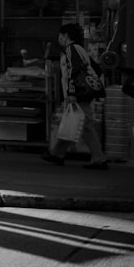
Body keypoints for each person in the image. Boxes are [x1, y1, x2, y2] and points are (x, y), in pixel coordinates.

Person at [42, 23, 109, 170]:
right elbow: (96, 69)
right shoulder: (79, 49)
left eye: (60, 35)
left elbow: (75, 71)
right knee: (71, 121)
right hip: (81, 92)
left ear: (66, 35)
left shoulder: (71, 49)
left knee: (85, 125)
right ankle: (58, 154)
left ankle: (99, 159)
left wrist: (73, 93)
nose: (59, 38)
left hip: (78, 93)